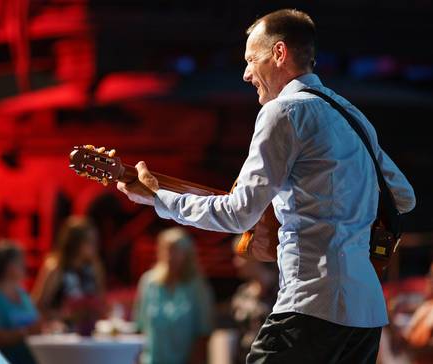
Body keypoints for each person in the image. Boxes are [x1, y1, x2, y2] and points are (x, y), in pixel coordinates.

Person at [117, 8, 416, 363]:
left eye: (251, 59)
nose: (245, 73)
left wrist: (157, 197)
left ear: (279, 54)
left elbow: (237, 214)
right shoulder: (353, 115)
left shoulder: (283, 112)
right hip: (365, 312)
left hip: (311, 304)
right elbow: (404, 197)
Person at [133, 227, 213, 364]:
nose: (170, 256)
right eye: (166, 250)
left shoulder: (197, 286)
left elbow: (204, 333)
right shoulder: (148, 282)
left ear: (187, 254)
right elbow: (139, 327)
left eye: (176, 251)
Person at [32, 216, 105, 334]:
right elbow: (38, 307)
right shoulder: (55, 268)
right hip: (60, 332)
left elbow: (101, 301)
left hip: (88, 332)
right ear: (75, 243)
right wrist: (64, 315)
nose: (94, 246)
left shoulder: (94, 267)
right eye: (90, 241)